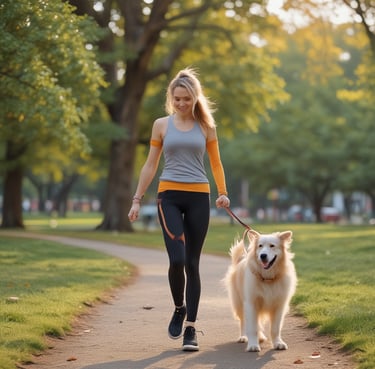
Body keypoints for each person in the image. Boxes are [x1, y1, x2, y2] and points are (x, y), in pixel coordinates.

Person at [128, 67, 230, 351]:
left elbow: (216, 164)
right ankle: (178, 306)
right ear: (171, 98)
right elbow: (150, 164)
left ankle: (191, 330)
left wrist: (223, 193)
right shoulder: (161, 125)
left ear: (195, 98)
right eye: (177, 99)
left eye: (187, 98)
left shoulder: (207, 127)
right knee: (176, 260)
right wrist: (137, 198)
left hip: (199, 196)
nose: (182, 103)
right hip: (168, 196)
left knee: (193, 264)